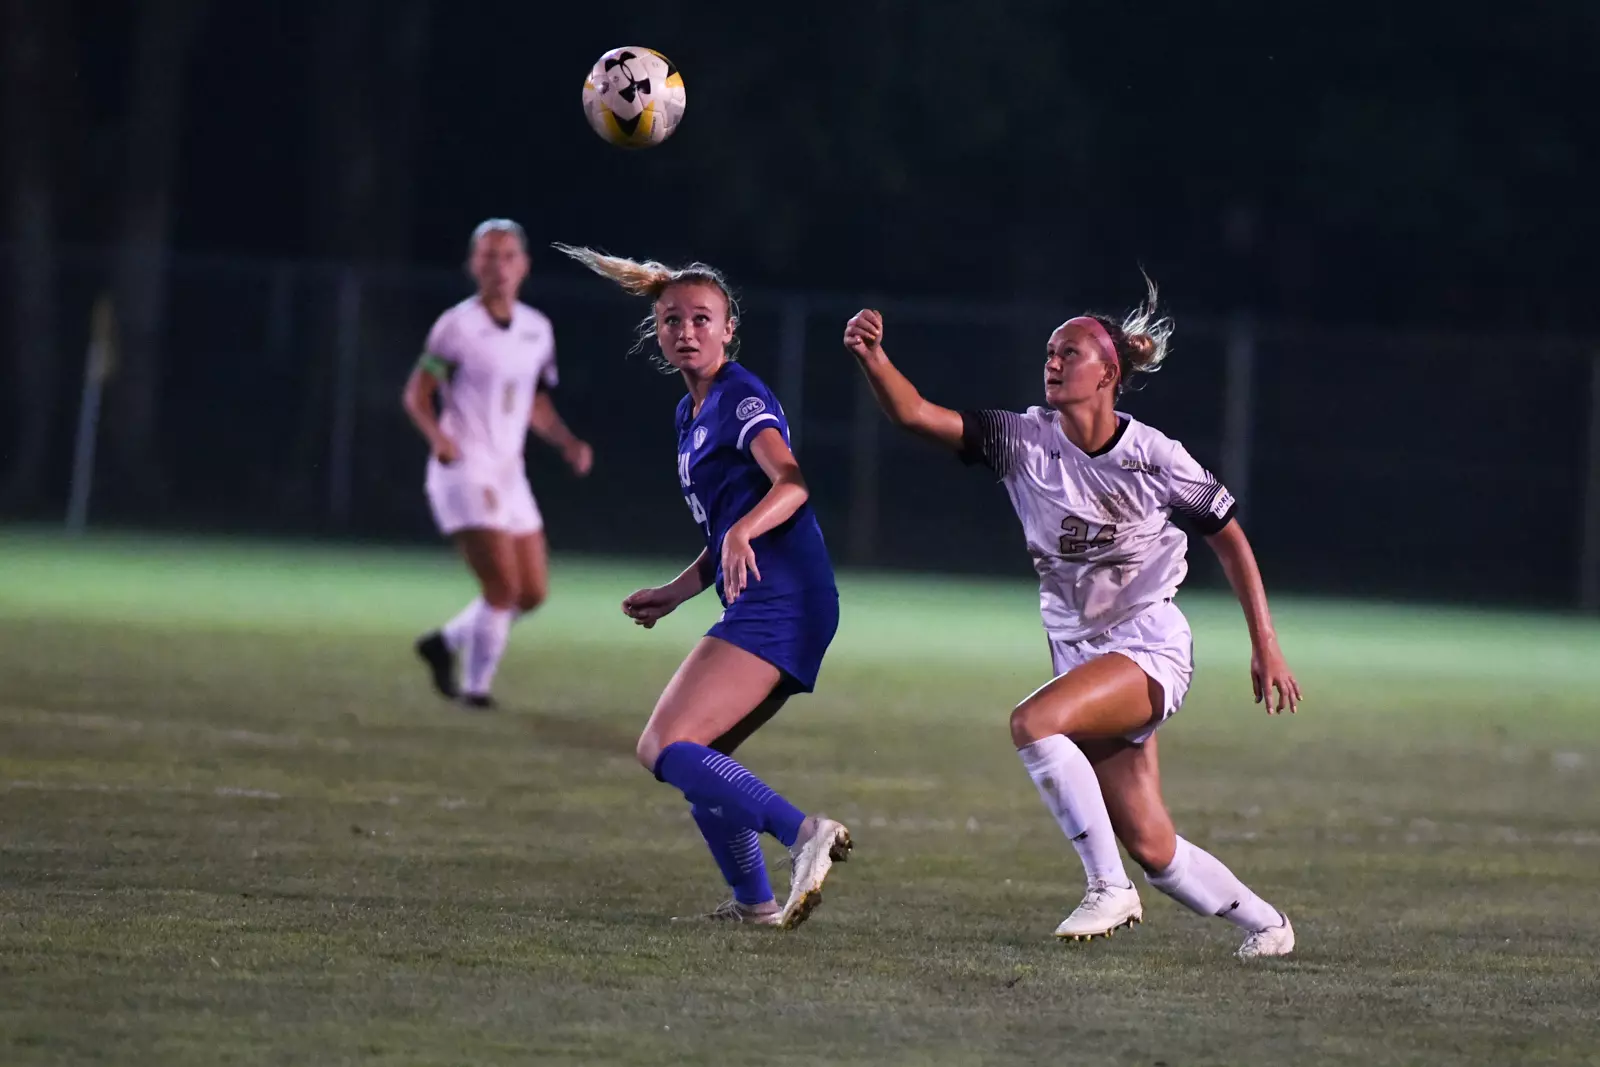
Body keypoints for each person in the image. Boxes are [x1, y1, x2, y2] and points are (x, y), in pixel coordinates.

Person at [843, 281, 1301, 959]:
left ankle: (1105, 886)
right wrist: (874, 359)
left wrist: (1265, 644)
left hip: (1150, 645)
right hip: (1081, 656)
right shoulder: (1021, 439)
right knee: (1155, 845)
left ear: (1109, 373)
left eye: (1070, 352)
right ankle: (1268, 924)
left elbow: (1228, 535)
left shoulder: (1154, 457)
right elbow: (915, 415)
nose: (1053, 362)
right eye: (1050, 352)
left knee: (1032, 722)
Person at [553, 242, 851, 929]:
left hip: (784, 597)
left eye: (701, 319)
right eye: (672, 320)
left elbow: (793, 483)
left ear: (728, 330)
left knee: (662, 745)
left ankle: (806, 833)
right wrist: (681, 588)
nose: (686, 330)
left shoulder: (739, 394)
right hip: (774, 597)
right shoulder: (690, 414)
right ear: (657, 333)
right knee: (700, 759)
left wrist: (745, 533)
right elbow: (725, 528)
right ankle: (755, 904)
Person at [402, 219, 594, 709]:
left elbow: (532, 402)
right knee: (502, 586)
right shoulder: (456, 327)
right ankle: (476, 689)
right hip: (464, 468)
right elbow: (417, 395)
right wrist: (438, 436)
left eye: (508, 256)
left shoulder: (536, 329)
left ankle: (444, 643)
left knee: (531, 593)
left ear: (524, 265)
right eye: (488, 257)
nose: (499, 266)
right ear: (473, 265)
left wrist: (567, 442)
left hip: (511, 473)